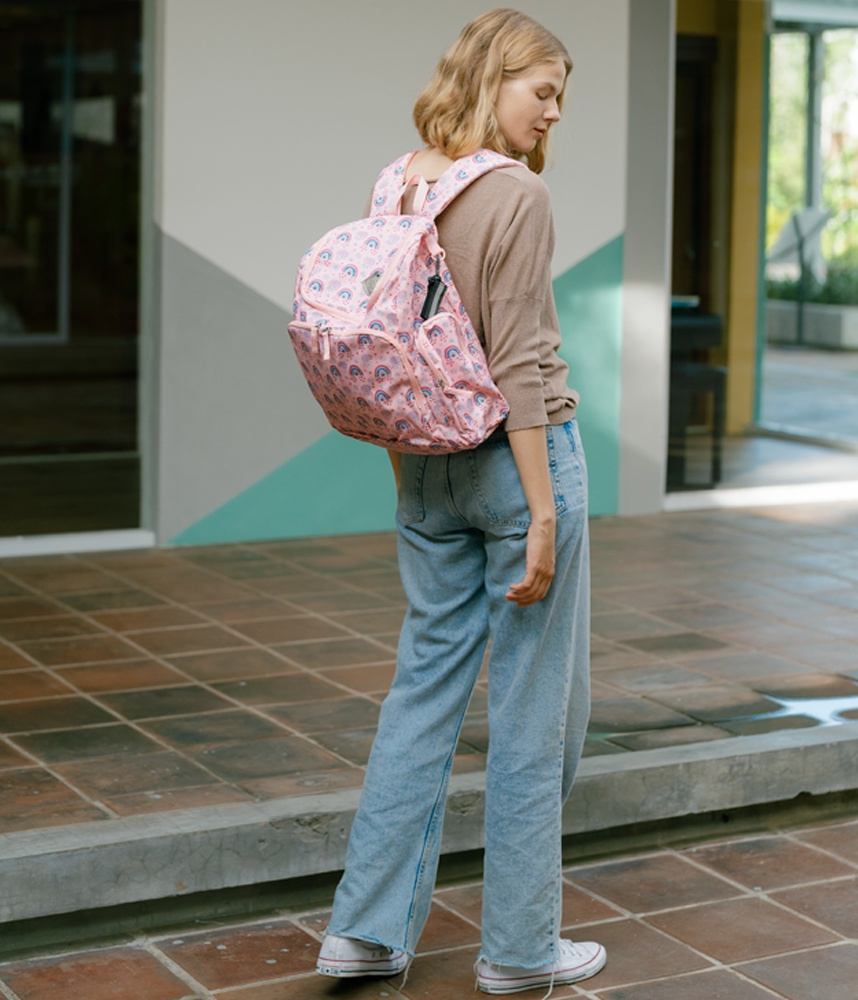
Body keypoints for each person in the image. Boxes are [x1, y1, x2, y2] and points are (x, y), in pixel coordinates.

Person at [315, 9, 605, 995]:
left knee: (421, 694)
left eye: (561, 95)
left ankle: (362, 930)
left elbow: (389, 347)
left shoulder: (398, 179)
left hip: (421, 465)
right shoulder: (514, 195)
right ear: (492, 78)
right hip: (514, 462)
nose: (552, 112)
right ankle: (521, 949)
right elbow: (520, 364)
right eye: (542, 89)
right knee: (533, 711)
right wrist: (547, 511)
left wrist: (412, 463)